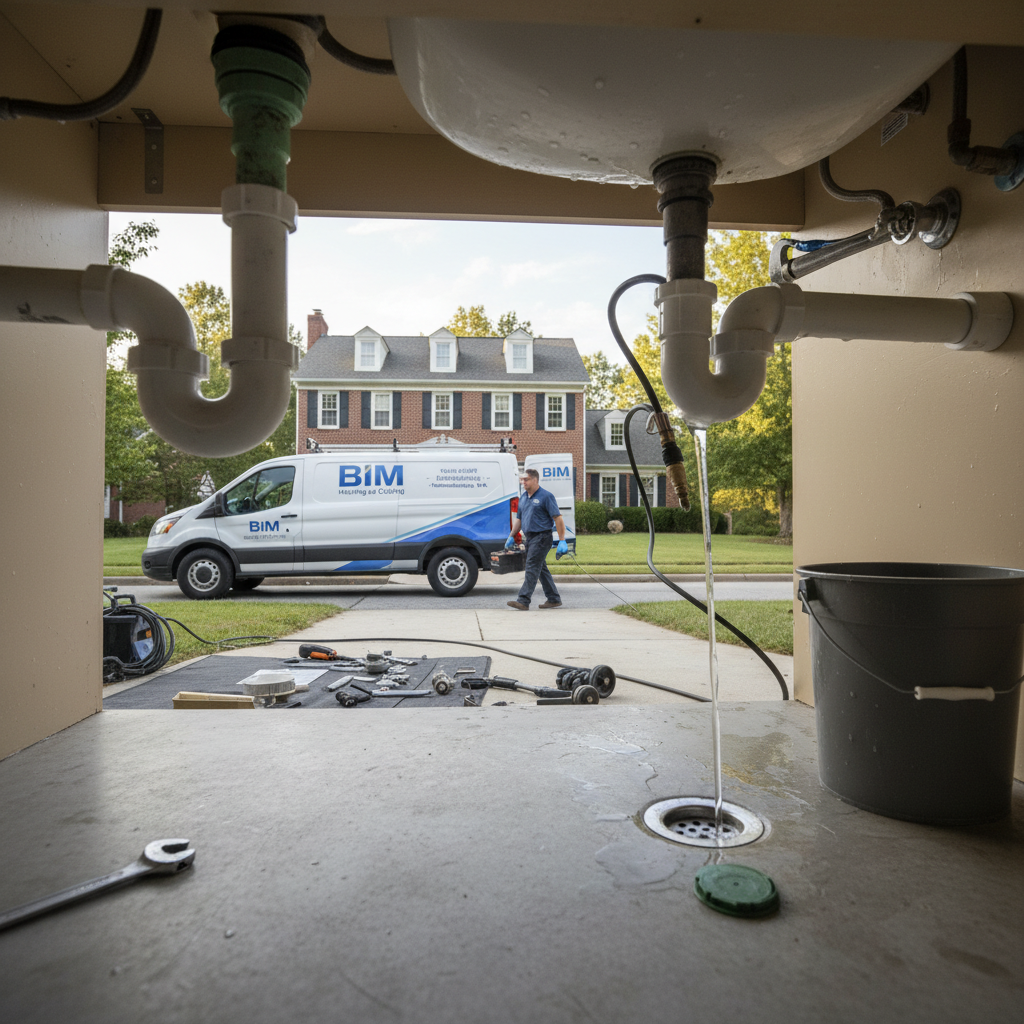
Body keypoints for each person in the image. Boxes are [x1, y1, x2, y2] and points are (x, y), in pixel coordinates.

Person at [505, 468, 568, 610]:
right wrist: (511, 536)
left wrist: (562, 540)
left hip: (542, 537)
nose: (523, 482)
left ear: (535, 480)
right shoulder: (523, 497)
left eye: (525, 480)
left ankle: (523, 600)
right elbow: (519, 519)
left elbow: (558, 518)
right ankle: (553, 598)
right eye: (522, 480)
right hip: (530, 538)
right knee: (540, 569)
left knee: (532, 566)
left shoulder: (546, 496)